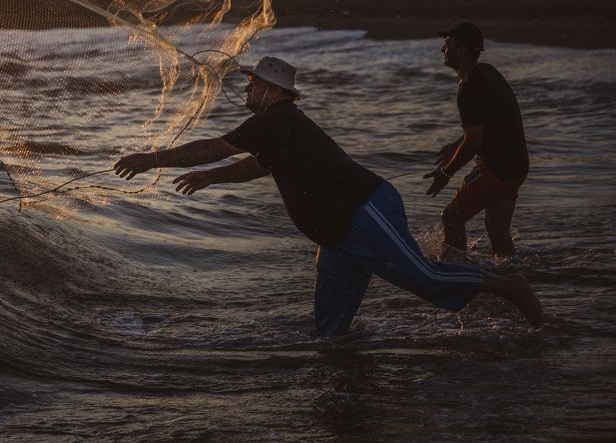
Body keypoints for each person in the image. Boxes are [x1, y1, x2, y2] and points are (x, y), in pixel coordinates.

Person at [115, 56, 542, 337]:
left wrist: (151, 160)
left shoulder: (276, 119)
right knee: (330, 329)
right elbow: (260, 166)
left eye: (252, 84)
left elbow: (214, 146)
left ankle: (510, 285)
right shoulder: (279, 127)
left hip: (363, 209)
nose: (246, 91)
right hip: (336, 233)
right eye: (248, 84)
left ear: (273, 91)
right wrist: (211, 179)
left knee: (427, 280)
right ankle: (345, 379)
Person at [424, 23, 528, 259]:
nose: (443, 50)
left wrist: (445, 173)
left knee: (451, 217)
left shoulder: (468, 86)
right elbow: (492, 121)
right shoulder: (488, 72)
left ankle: (455, 273)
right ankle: (510, 276)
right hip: (518, 167)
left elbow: (472, 144)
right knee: (498, 231)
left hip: (495, 169)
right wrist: (456, 144)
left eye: (448, 45)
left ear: (462, 51)